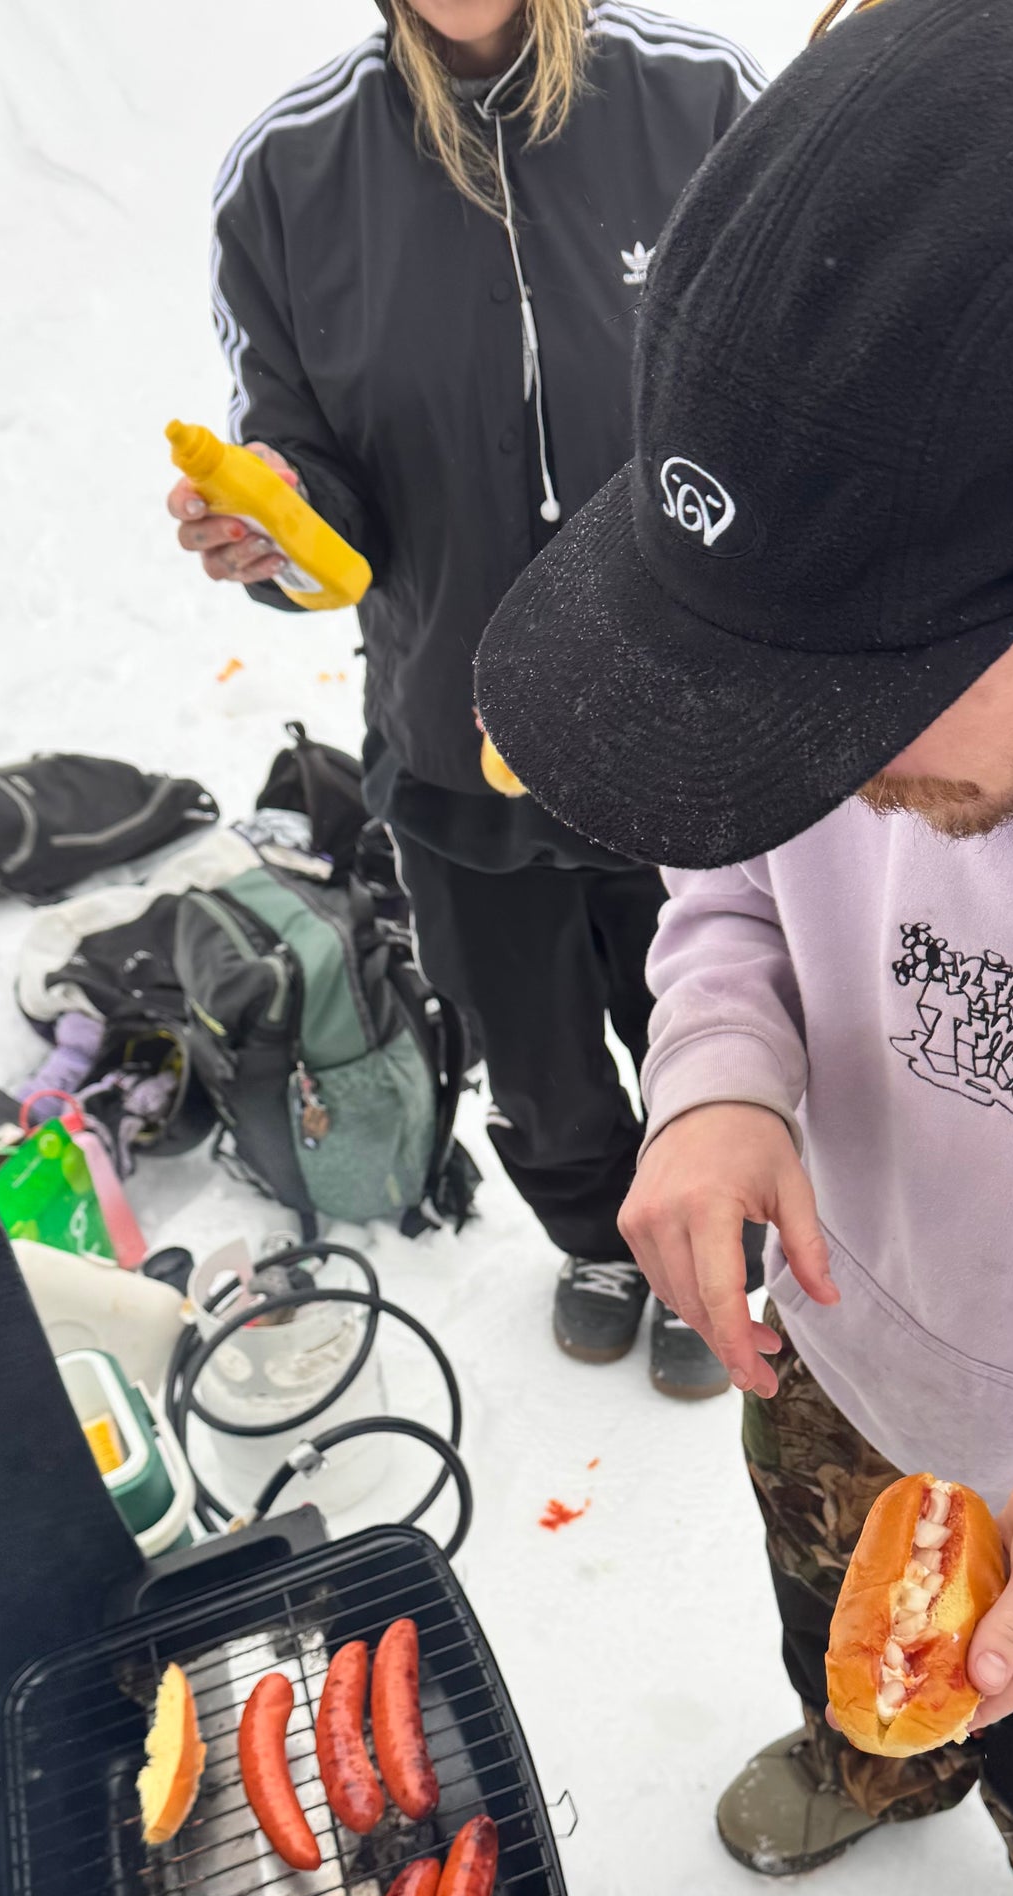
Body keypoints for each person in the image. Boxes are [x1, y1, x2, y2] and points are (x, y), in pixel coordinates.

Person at [474, 0, 1013, 1896]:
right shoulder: (861, 615)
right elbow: (734, 861)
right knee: (842, 1619)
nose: (807, 766)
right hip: (850, 1346)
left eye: (852, 704)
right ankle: (884, 1761)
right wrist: (721, 1065)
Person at [168, 0, 764, 1395]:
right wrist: (276, 534)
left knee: (711, 1018)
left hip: (681, 725)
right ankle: (597, 1237)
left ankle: (715, 1250)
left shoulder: (703, 104)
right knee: (531, 1053)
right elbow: (312, 483)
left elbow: (808, 397)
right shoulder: (290, 175)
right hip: (452, 731)